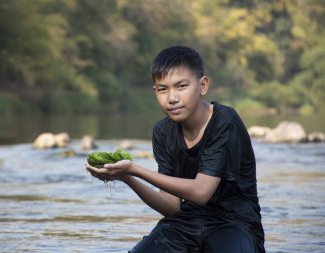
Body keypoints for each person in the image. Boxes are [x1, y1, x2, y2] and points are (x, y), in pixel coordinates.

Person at [85, 45, 265, 253]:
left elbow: (200, 192)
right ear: (155, 91)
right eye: (163, 89)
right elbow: (172, 206)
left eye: (181, 86)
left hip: (233, 223)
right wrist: (126, 177)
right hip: (184, 223)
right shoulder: (162, 132)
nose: (172, 98)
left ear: (203, 85)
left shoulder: (225, 121)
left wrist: (135, 169)